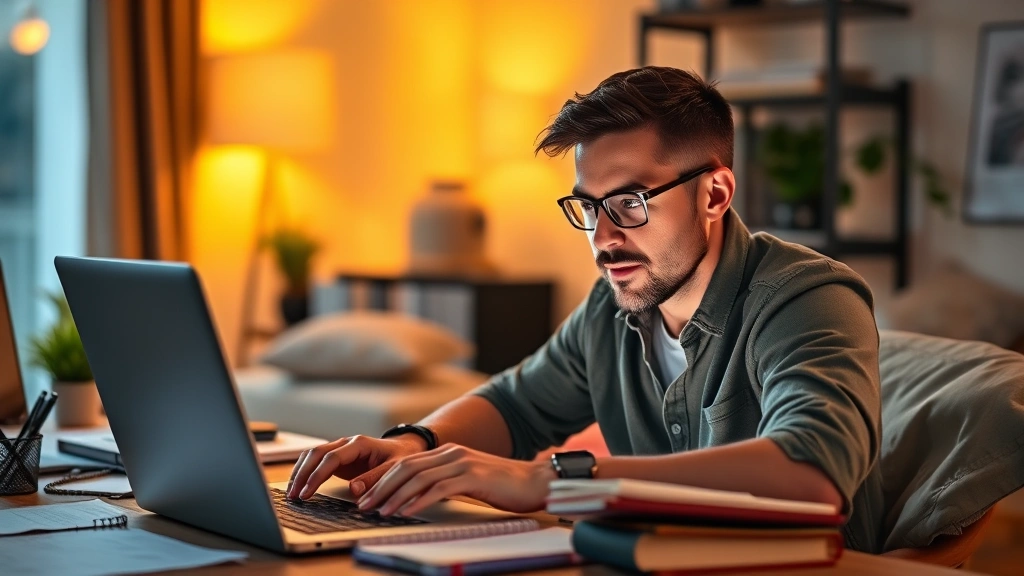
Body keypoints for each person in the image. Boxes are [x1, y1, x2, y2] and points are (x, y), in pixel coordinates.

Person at [287, 67, 883, 553]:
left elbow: (814, 471)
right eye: (588, 207)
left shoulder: (807, 298)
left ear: (715, 194)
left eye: (628, 202)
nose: (602, 239)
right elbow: (517, 405)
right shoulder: (614, 305)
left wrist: (555, 481)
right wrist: (416, 444)